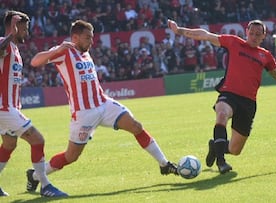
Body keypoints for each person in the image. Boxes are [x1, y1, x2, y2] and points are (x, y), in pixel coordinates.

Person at [27, 19, 178, 193]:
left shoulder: (85, 52)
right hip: (84, 113)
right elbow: (35, 62)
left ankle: (164, 164)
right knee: (71, 156)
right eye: (87, 38)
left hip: (103, 103)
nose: (91, 42)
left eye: (92, 38)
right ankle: (35, 175)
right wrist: (58, 49)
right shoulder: (64, 51)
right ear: (74, 37)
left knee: (136, 126)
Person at [168, 19, 276, 174]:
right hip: (229, 94)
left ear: (263, 36)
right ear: (246, 32)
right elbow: (205, 35)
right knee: (221, 114)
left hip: (248, 103)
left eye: (257, 34)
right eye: (251, 33)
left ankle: (215, 146)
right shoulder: (234, 42)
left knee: (235, 149)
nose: (253, 37)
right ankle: (221, 162)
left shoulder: (265, 56)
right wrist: (179, 30)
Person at [0, 10, 67, 197]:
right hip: (3, 108)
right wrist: (11, 35)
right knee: (38, 140)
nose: (26, 33)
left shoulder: (14, 49)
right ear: (14, 26)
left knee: (9, 144)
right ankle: (45, 185)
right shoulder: (3, 44)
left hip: (9, 107)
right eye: (24, 29)